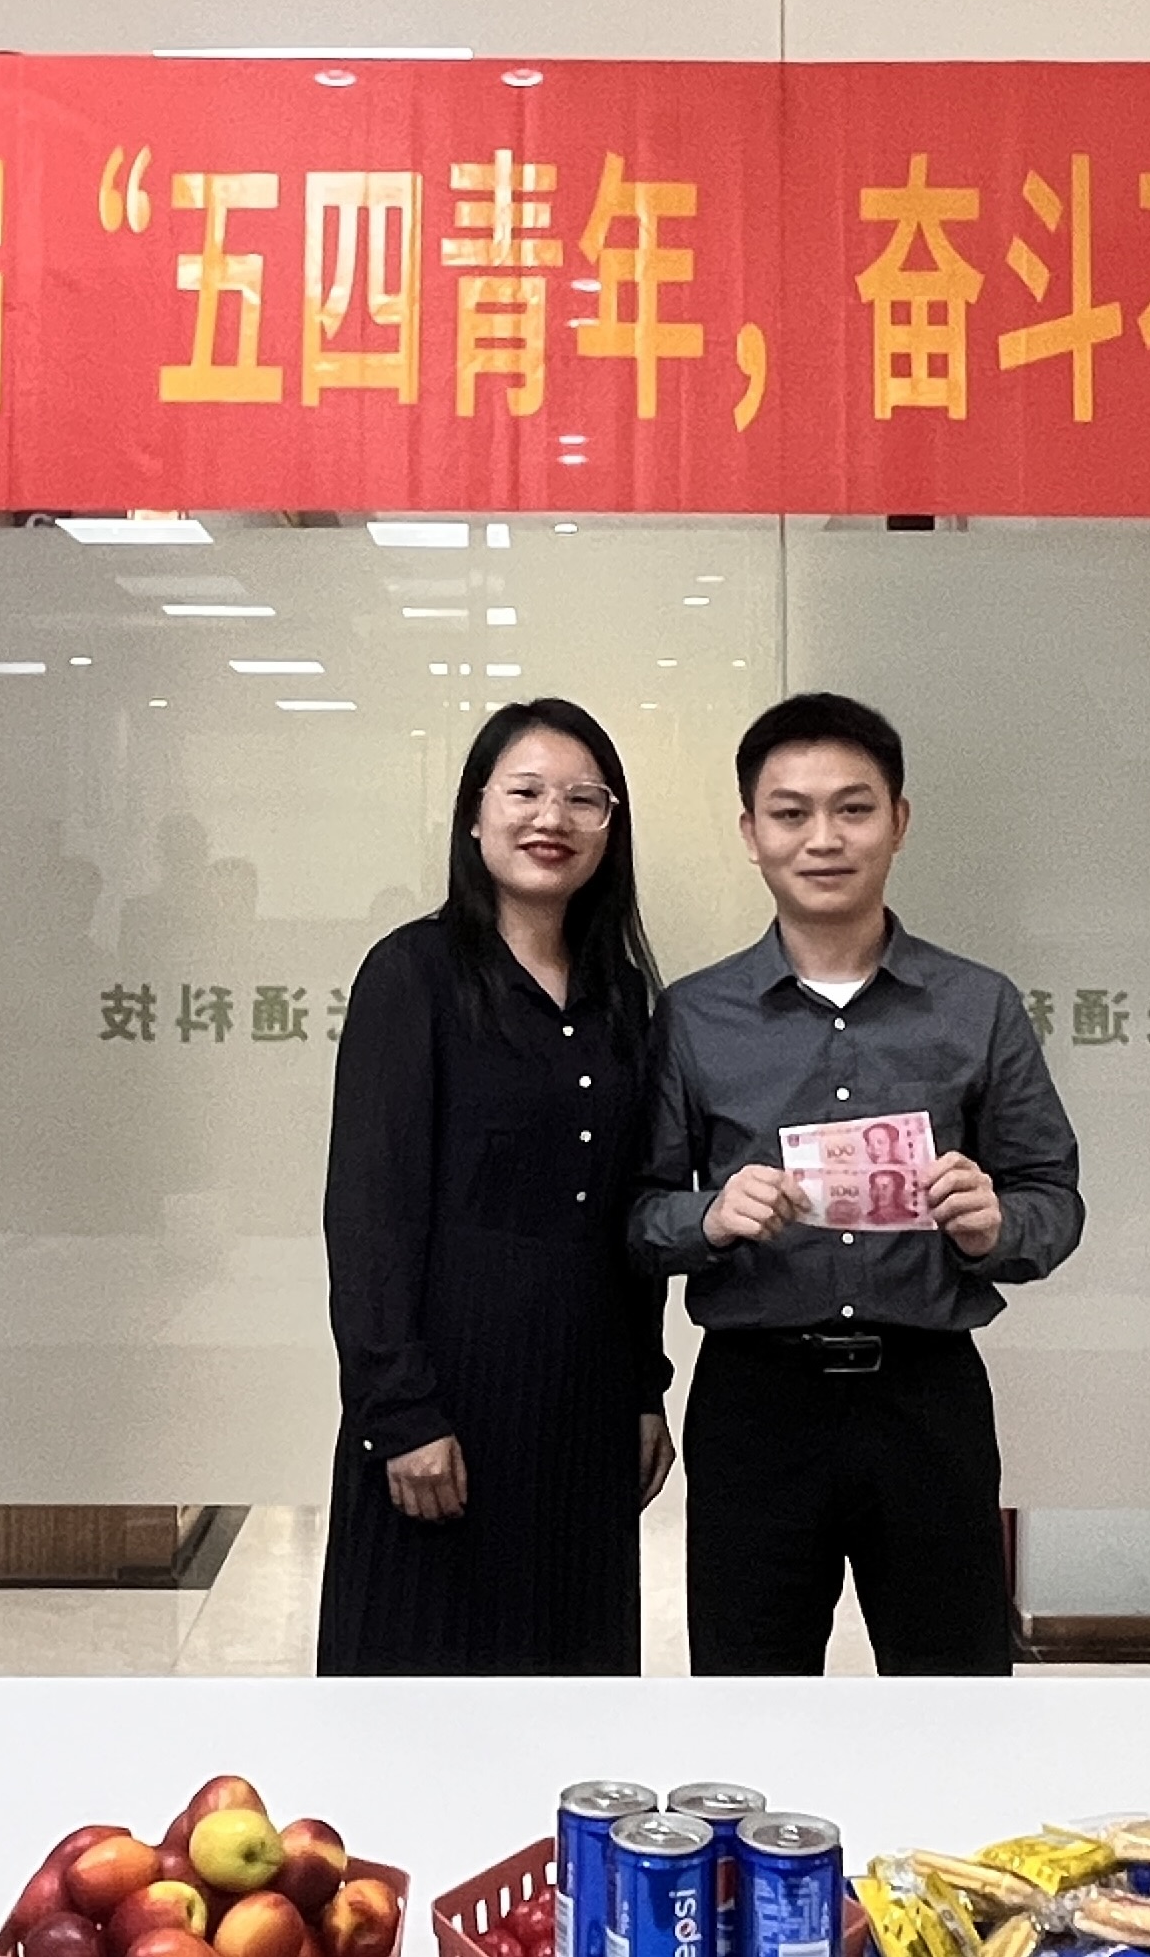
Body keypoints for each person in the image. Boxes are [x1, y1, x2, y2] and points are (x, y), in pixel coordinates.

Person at [631, 691, 1084, 1676]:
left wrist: (995, 1225)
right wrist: (710, 1216)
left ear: (899, 821)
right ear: (751, 834)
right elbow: (637, 1215)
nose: (824, 839)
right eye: (791, 813)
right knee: (749, 1694)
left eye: (854, 808)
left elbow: (1053, 1197)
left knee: (954, 1692)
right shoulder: (696, 1016)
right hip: (757, 1401)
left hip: (926, 1397)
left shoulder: (977, 1005)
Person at [318, 697, 677, 1673]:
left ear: (611, 827)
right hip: (448, 1394)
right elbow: (369, 1215)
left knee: (573, 1681)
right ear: (475, 814)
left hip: (585, 1397)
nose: (551, 818)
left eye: (583, 799)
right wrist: (400, 1413)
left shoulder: (621, 996)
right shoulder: (412, 975)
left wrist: (644, 1390)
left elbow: (631, 1216)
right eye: (524, 792)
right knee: (422, 1682)